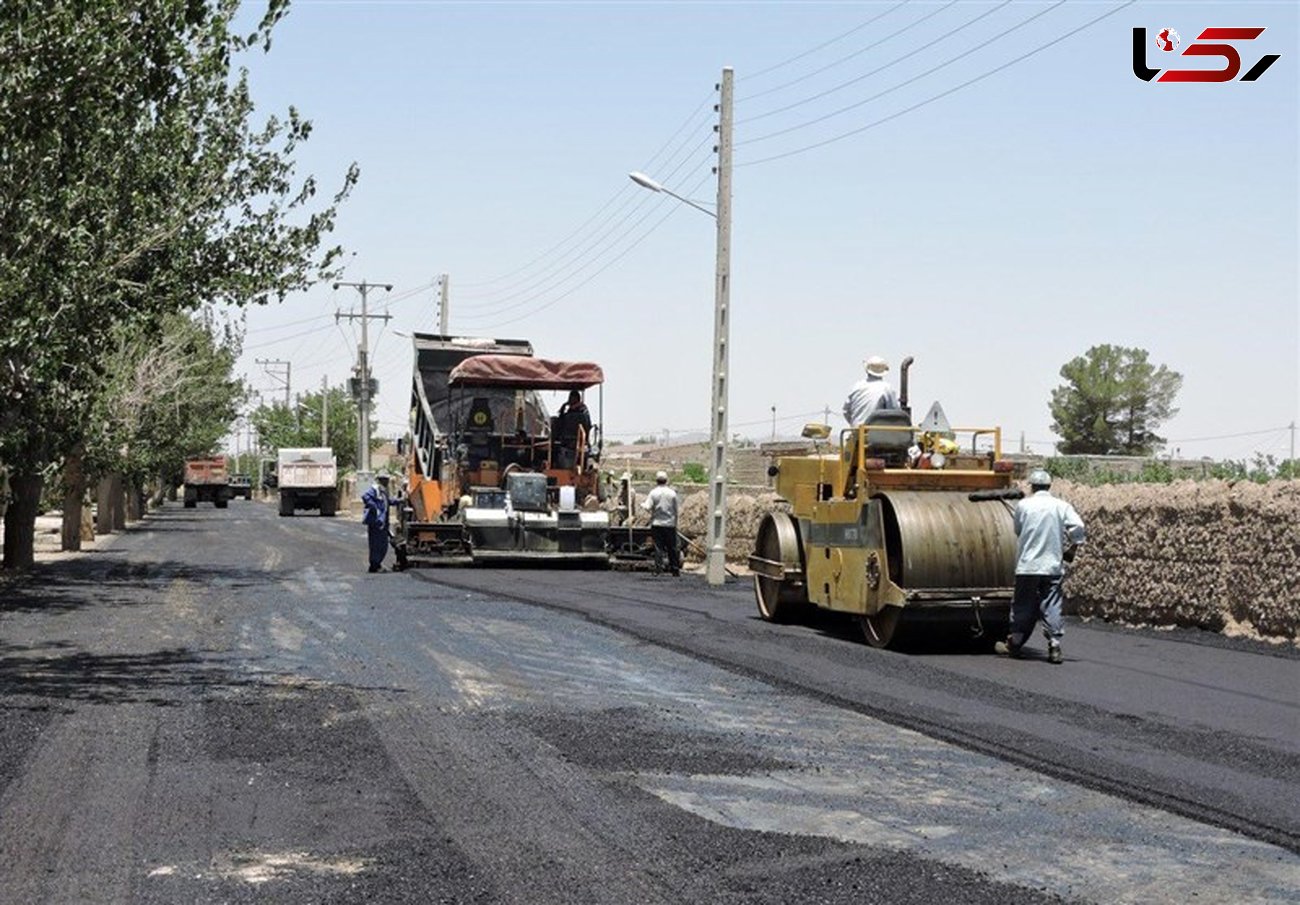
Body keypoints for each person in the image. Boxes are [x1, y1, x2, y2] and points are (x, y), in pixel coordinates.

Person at [997, 468, 1086, 664]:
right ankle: (1054, 644)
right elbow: (1078, 527)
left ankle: (1016, 643)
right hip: (1052, 566)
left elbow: (1018, 530)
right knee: (1052, 605)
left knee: (1023, 604)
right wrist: (1072, 547)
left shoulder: (1024, 505)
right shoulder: (1061, 506)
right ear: (1049, 486)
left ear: (1032, 486)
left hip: (1028, 566)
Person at [641, 470, 680, 577]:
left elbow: (648, 507)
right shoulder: (672, 493)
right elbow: (676, 510)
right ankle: (675, 569)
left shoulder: (653, 493)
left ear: (656, 481)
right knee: (672, 547)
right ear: (666, 480)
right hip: (670, 524)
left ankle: (658, 568)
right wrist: (675, 523)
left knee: (659, 547)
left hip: (657, 524)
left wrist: (642, 505)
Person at [843, 356, 899, 425]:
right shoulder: (887, 388)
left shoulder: (857, 386)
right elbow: (895, 413)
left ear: (867, 370)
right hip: (877, 433)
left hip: (857, 432)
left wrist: (855, 425)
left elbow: (846, 411)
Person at [361, 474, 392, 573]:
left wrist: (399, 501)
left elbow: (386, 502)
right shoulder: (375, 489)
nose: (387, 482)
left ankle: (377, 564)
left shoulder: (383, 491)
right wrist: (375, 507)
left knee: (383, 545)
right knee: (376, 544)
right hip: (376, 522)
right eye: (385, 480)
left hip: (383, 523)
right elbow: (365, 497)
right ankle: (374, 565)